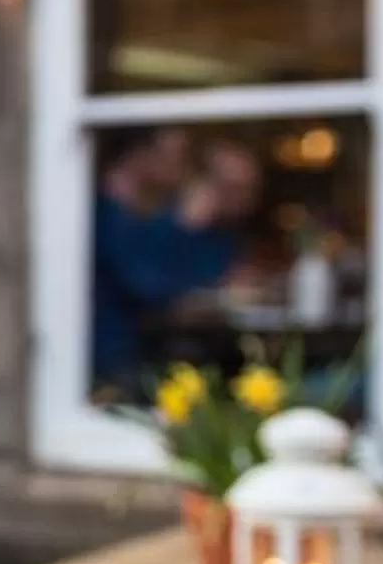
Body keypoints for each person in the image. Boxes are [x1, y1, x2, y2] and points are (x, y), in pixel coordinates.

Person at [91, 128, 258, 391]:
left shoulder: (141, 215)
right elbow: (151, 287)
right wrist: (182, 226)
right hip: (115, 359)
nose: (182, 169)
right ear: (140, 156)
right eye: (175, 156)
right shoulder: (106, 216)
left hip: (145, 353)